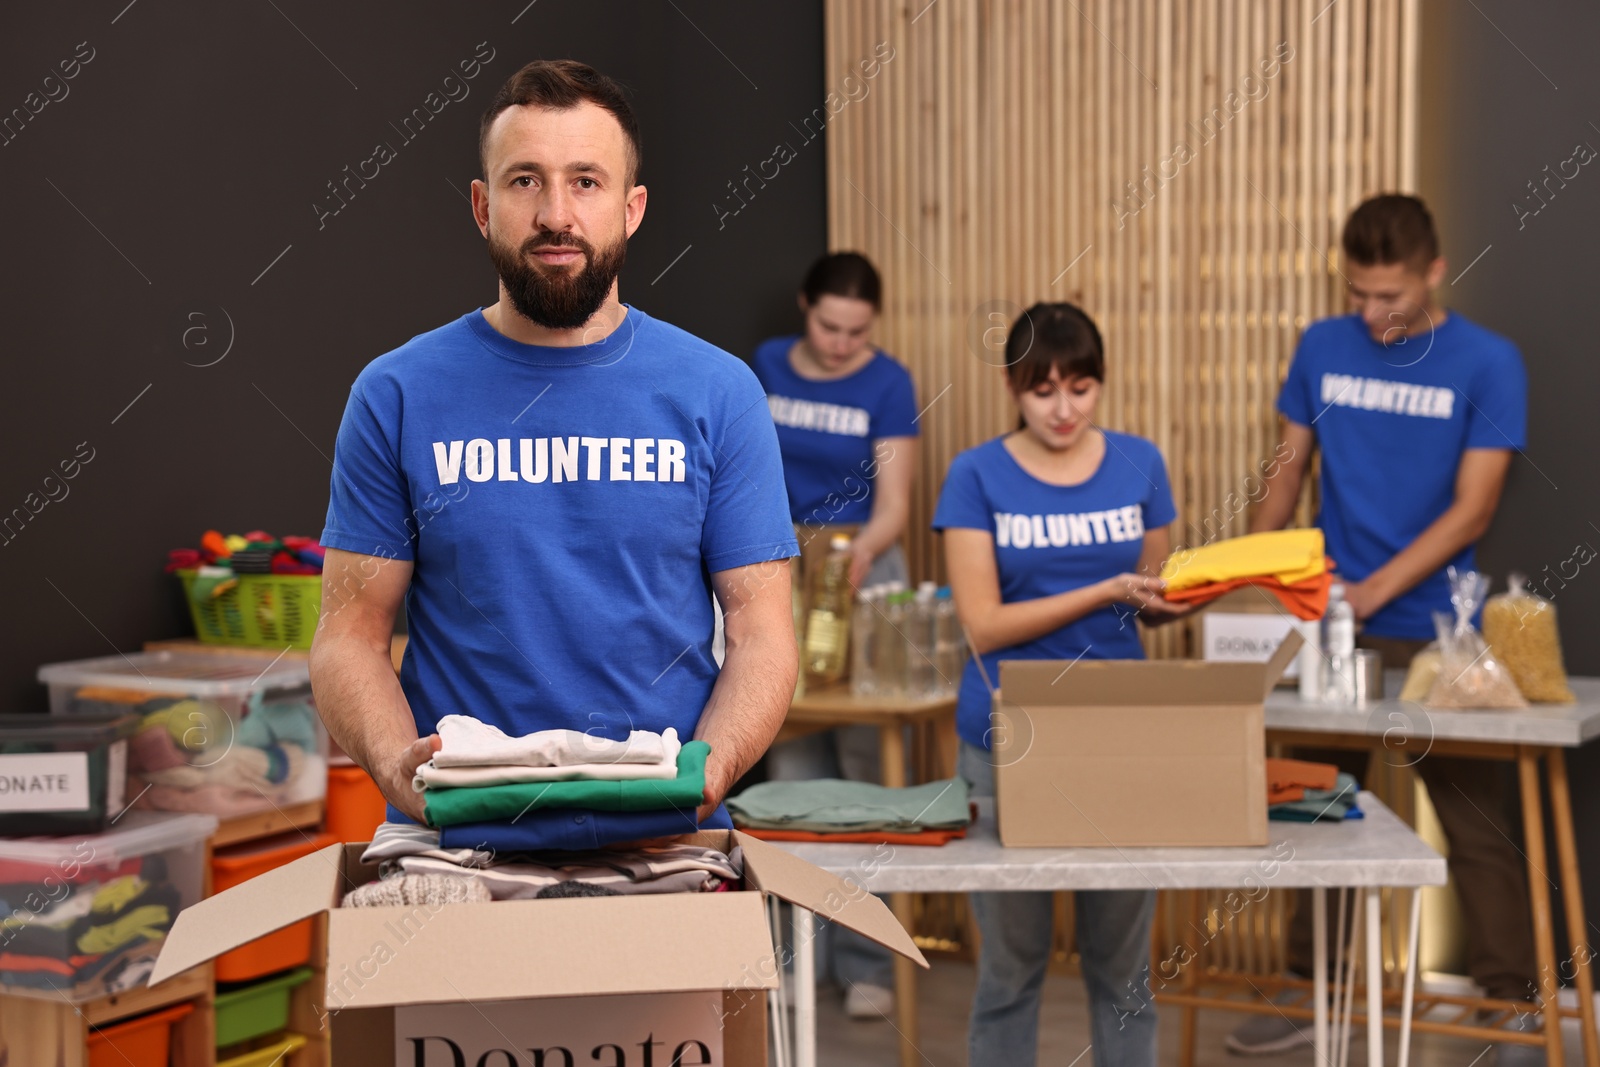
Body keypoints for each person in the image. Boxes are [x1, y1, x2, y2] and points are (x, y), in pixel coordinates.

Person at [308, 60, 799, 847]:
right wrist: (397, 766)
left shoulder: (718, 392)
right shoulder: (396, 393)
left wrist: (714, 768)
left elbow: (762, 632)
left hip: (668, 833)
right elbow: (349, 633)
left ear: (632, 208)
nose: (556, 213)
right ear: (482, 205)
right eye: (526, 181)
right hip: (456, 838)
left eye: (586, 181)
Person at [1234, 194, 1534, 1060]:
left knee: (1478, 822)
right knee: (1313, 814)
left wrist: (1367, 592)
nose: (1373, 313)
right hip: (1328, 625)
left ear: (1434, 272)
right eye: (1359, 293)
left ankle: (1510, 1003)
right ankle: (1307, 994)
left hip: (1442, 629)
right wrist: (1256, 577)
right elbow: (1287, 469)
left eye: (1390, 296)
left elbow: (1472, 511)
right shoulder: (1322, 347)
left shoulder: (1489, 362)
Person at [933, 302, 1190, 1067]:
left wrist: (1178, 598)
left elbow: (1155, 600)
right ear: (1014, 387)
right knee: (1011, 968)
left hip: (1118, 735)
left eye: (1081, 387)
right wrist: (1106, 588)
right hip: (1005, 736)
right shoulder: (975, 473)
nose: (1064, 408)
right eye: (1043, 390)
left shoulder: (1141, 461)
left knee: (1124, 971)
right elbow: (982, 624)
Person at [750, 252, 918, 1018]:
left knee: (863, 768)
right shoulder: (765, 367)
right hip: (779, 561)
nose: (843, 343)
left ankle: (865, 963)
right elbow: (745, 472)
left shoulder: (890, 383)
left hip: (862, 565)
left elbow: (895, 502)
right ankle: (796, 956)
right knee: (791, 764)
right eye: (828, 326)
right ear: (802, 307)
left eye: (858, 331)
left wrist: (858, 556)